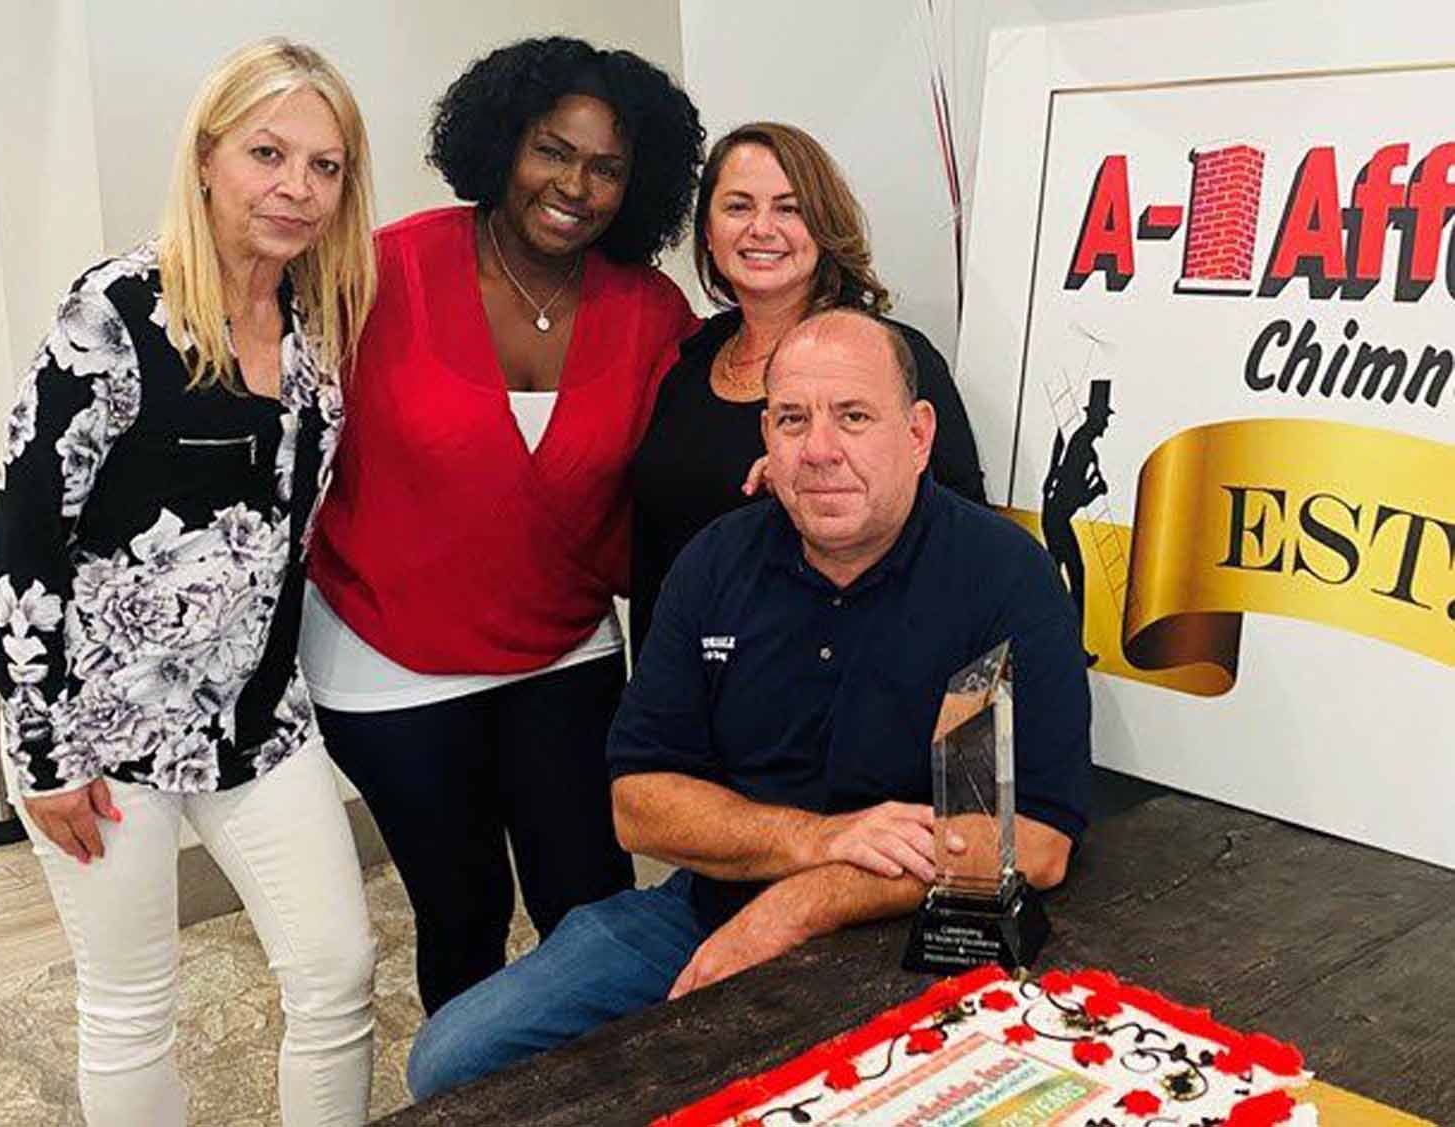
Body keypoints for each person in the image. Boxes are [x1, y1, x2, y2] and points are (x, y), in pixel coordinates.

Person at [405, 310, 1091, 1098]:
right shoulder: (715, 563)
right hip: (702, 908)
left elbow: (1033, 841)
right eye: (793, 420)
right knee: (450, 1057)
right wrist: (815, 840)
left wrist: (801, 904)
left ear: (917, 432)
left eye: (854, 417)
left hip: (916, 922)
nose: (821, 449)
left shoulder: (1001, 577)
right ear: (766, 436)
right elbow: (641, 805)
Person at [0, 40, 378, 1127]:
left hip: (257, 719)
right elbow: (24, 538)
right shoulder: (114, 313)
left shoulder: (316, 327)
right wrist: (44, 752)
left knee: (339, 971)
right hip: (102, 736)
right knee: (130, 1006)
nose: (297, 188)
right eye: (268, 153)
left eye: (326, 165)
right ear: (207, 158)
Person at [301, 36, 703, 1017]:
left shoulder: (652, 310)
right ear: (501, 145)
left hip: (564, 655)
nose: (577, 185)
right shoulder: (381, 270)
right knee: (461, 914)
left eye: (608, 166)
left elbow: (676, 488)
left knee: (594, 912)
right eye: (551, 150)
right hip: (387, 663)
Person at [628, 121, 987, 653]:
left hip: (843, 677)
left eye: (788, 208)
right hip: (694, 690)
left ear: (823, 226)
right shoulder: (688, 363)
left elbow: (967, 539)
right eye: (738, 207)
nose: (761, 229)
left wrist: (824, 485)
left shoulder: (890, 358)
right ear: (708, 230)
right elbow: (655, 554)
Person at [1042, 379, 1114, 666]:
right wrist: (1094, 492)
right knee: (1074, 579)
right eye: (1104, 418)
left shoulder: (1085, 443)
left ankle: (1064, 645)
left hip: (1055, 516)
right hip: (1057, 517)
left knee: (1057, 580)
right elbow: (1069, 496)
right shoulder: (1082, 445)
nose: (1106, 424)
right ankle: (1071, 647)